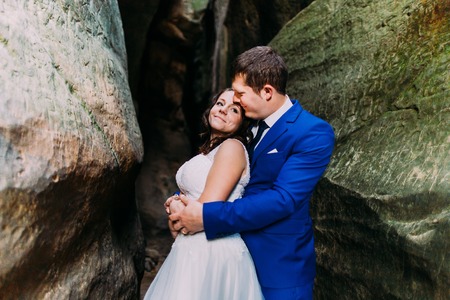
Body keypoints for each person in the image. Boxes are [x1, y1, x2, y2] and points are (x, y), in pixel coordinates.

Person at [169, 46, 335, 299]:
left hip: (277, 265)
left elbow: (284, 199)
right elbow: (220, 176)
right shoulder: (243, 125)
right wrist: (182, 202)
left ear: (267, 91)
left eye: (240, 94)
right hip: (224, 258)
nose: (235, 100)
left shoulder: (312, 132)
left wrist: (205, 216)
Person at [143, 88, 264, 300]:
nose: (223, 110)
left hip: (213, 252)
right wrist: (174, 204)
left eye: (234, 110)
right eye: (220, 104)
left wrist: (176, 208)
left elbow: (206, 209)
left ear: (243, 123)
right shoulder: (210, 150)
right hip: (192, 248)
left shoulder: (233, 147)